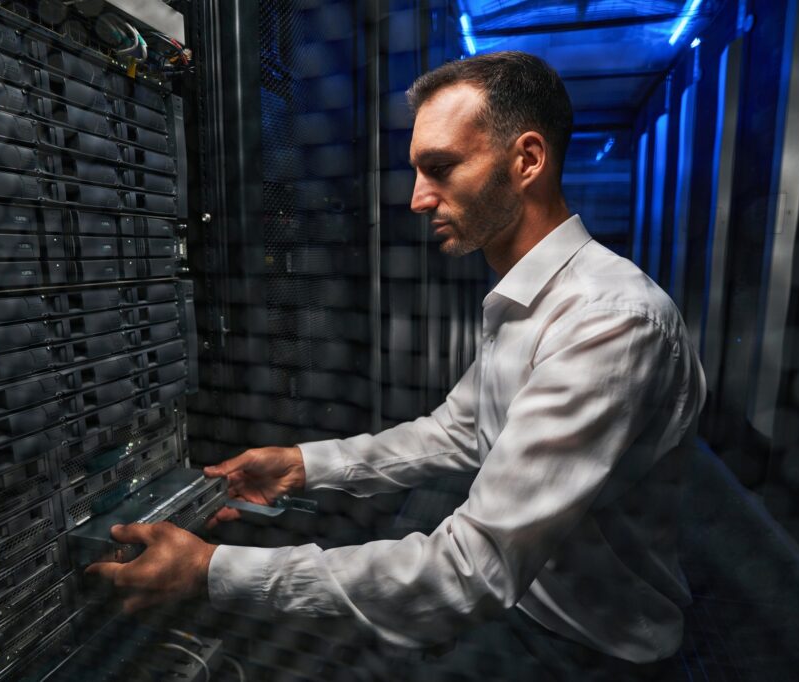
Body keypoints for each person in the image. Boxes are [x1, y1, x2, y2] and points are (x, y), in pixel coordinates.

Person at [87, 51, 707, 679]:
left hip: (583, 647)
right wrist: (303, 467)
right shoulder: (530, 297)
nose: (416, 199)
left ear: (527, 160)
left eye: (440, 168)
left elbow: (470, 572)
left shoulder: (608, 322)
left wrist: (209, 570)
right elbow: (461, 429)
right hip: (528, 606)